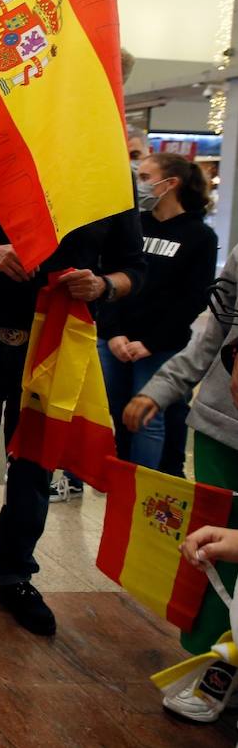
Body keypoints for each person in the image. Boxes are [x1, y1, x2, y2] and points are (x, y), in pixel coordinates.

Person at [0, 155, 145, 636]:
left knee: (35, 465)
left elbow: (133, 268)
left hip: (55, 338)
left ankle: (16, 574)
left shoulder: (104, 170)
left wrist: (103, 285)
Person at [127, 245, 238, 722]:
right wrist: (161, 388)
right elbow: (211, 337)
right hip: (222, 430)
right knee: (217, 556)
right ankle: (215, 668)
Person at [94, 153, 217, 476]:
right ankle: (123, 479)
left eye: (145, 177)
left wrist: (149, 341)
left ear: (170, 184)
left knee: (150, 417)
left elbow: (193, 299)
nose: (139, 184)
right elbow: (108, 279)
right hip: (115, 341)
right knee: (120, 413)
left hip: (159, 346)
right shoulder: (131, 225)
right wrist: (114, 332)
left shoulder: (200, 237)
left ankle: (144, 485)